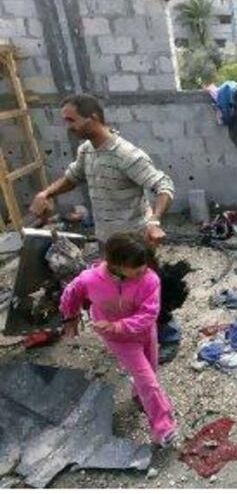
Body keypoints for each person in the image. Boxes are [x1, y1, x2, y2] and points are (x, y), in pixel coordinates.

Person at [28, 93, 180, 358]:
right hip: (106, 241)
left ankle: (168, 336)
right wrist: (46, 193)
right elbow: (72, 177)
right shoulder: (87, 150)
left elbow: (163, 185)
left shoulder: (126, 154)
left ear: (93, 117)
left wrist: (154, 221)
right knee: (119, 292)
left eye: (71, 120)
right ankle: (133, 335)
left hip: (135, 243)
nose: (68, 126)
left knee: (148, 293)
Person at [60, 232, 178, 447]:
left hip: (144, 332)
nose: (143, 269)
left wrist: (119, 324)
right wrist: (70, 316)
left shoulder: (150, 279)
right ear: (116, 264)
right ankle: (164, 428)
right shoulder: (90, 279)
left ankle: (139, 395)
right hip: (117, 339)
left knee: (150, 370)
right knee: (148, 380)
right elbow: (72, 292)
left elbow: (149, 314)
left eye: (144, 263)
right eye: (137, 266)